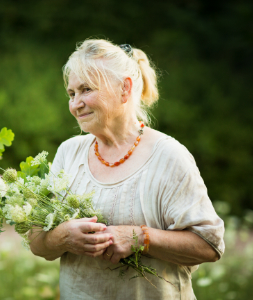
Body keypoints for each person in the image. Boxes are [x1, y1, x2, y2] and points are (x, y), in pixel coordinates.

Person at [29, 39, 225, 300]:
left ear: (124, 89)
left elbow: (210, 246)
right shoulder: (68, 152)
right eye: (71, 93)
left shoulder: (168, 156)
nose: (76, 104)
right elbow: (36, 242)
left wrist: (139, 238)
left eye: (86, 89)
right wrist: (63, 237)